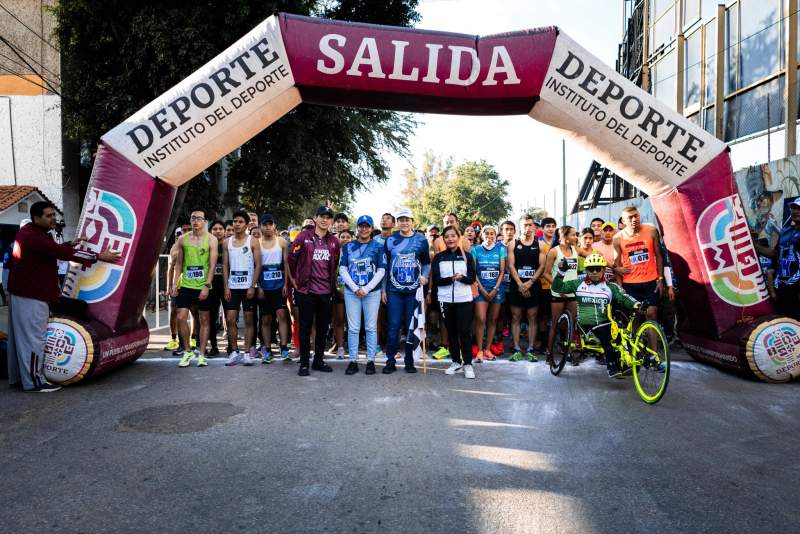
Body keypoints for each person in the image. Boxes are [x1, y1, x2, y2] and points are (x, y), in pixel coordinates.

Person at [7, 201, 119, 392]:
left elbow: (51, 250)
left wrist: (71, 244)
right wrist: (99, 256)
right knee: (34, 339)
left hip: (24, 294)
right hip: (31, 296)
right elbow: (61, 252)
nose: (53, 219)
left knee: (21, 339)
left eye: (53, 214)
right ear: (36, 218)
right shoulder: (34, 237)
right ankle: (35, 382)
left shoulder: (32, 234)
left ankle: (21, 379)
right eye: (49, 216)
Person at [552, 253, 641, 377]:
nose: (594, 272)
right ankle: (612, 367)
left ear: (603, 270)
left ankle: (624, 364)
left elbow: (623, 297)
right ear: (586, 270)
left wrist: (636, 304)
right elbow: (557, 288)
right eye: (590, 269)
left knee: (621, 335)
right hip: (585, 324)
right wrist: (561, 272)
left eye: (598, 269)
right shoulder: (578, 284)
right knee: (606, 333)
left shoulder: (611, 287)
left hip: (606, 323)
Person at [289, 206, 340, 376]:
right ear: (316, 218)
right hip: (306, 291)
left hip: (326, 292)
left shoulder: (334, 241)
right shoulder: (304, 237)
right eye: (322, 216)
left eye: (328, 217)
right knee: (305, 327)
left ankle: (318, 360)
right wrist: (295, 280)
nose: (325, 220)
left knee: (323, 327)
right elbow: (292, 259)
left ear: (331, 221)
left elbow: (335, 263)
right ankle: (304, 363)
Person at [382, 208, 430, 374]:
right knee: (393, 326)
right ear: (397, 222)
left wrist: (425, 276)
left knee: (411, 326)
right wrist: (383, 290)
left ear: (412, 222)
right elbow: (385, 267)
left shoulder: (422, 240)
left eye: (407, 219)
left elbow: (426, 264)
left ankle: (410, 361)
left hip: (414, 291)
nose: (404, 222)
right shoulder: (390, 240)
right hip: (394, 290)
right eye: (401, 219)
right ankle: (390, 361)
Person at [340, 215, 386, 375]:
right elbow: (343, 269)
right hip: (352, 291)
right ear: (357, 228)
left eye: (367, 226)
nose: (364, 229)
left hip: (371, 292)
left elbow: (381, 270)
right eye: (361, 226)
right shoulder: (348, 246)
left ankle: (370, 360)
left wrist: (366, 288)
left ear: (371, 228)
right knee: (353, 328)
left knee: (371, 327)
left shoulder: (378, 246)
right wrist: (355, 288)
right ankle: (353, 360)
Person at [172, 208, 218, 367]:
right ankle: (187, 350)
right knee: (180, 317)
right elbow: (178, 264)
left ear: (205, 222)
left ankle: (202, 353)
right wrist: (174, 283)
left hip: (203, 285)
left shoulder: (211, 239)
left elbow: (212, 266)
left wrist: (207, 286)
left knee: (204, 319)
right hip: (186, 285)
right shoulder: (183, 239)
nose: (195, 221)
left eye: (199, 218)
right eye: (193, 218)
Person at [432, 225, 477, 379]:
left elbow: (471, 278)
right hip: (445, 300)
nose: (450, 239)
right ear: (443, 239)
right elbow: (437, 280)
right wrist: (450, 279)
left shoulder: (467, 256)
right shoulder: (439, 257)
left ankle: (468, 364)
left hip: (464, 299)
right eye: (447, 237)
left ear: (458, 237)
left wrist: (461, 278)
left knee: (464, 332)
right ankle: (456, 362)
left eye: (453, 236)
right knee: (451, 332)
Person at [613, 206, 664, 324]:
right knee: (634, 317)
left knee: (652, 314)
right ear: (623, 221)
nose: (634, 219)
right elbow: (617, 265)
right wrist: (621, 288)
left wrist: (660, 279)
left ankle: (653, 343)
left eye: (636, 216)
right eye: (630, 218)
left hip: (651, 281)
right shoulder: (618, 238)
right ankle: (634, 342)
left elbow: (659, 255)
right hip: (630, 283)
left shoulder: (651, 230)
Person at [223, 211, 262, 366]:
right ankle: (234, 351)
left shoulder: (252, 241)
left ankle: (247, 352)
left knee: (248, 319)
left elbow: (258, 264)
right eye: (235, 221)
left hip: (247, 287)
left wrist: (253, 285)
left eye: (240, 221)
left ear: (246, 224)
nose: (237, 224)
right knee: (230, 319)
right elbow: (225, 265)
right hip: (232, 286)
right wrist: (226, 286)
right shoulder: (227, 242)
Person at [507, 214, 546, 361]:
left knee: (532, 317)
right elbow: (511, 265)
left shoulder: (540, 244)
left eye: (530, 225)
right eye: (525, 225)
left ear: (534, 227)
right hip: (517, 285)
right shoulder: (513, 243)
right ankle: (517, 348)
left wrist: (530, 282)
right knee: (516, 317)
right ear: (520, 226)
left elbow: (542, 266)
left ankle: (530, 348)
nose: (528, 228)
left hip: (533, 285)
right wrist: (520, 284)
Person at [257, 213, 292, 363]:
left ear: (274, 226)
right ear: (260, 226)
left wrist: (286, 284)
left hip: (279, 286)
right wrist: (257, 285)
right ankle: (267, 349)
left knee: (282, 316)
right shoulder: (256, 243)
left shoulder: (282, 242)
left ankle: (284, 348)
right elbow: (255, 266)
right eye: (264, 224)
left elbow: (286, 264)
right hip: (264, 286)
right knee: (265, 319)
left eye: (270, 224)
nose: (267, 227)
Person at [757, 198, 800, 319]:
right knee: (785, 324)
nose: (795, 211)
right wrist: (755, 246)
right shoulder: (785, 231)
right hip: (781, 289)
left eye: (799, 208)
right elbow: (776, 254)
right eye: (794, 208)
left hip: (797, 291)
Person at [543, 226, 579, 360]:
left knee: (570, 323)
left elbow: (592, 254)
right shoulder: (554, 252)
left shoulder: (575, 250)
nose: (576, 238)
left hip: (572, 293)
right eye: (574, 235)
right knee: (555, 323)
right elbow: (546, 273)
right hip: (558, 293)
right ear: (564, 237)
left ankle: (567, 351)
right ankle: (549, 353)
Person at [472, 225, 506, 361]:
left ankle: (487, 349)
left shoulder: (501, 249)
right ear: (482, 235)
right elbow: (473, 272)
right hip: (481, 289)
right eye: (487, 233)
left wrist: (495, 289)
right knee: (481, 319)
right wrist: (482, 289)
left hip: (496, 289)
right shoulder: (476, 249)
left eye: (492, 234)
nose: (490, 236)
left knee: (493, 320)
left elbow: (502, 270)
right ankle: (479, 350)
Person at [332, 228, 352, 359]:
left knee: (352, 323)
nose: (344, 239)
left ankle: (353, 346)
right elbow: (330, 272)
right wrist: (336, 288)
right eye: (342, 237)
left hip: (353, 292)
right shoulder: (334, 253)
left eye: (347, 237)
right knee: (338, 320)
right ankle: (340, 347)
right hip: (337, 292)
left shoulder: (356, 253)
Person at [207, 220, 226, 356]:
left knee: (231, 318)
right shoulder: (207, 245)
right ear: (211, 231)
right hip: (211, 286)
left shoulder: (229, 245)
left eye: (220, 229)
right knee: (211, 318)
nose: (218, 231)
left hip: (226, 285)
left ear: (224, 231)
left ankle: (232, 346)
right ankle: (214, 346)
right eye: (215, 229)